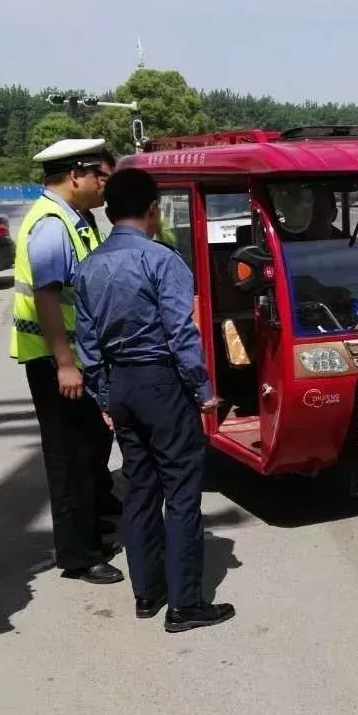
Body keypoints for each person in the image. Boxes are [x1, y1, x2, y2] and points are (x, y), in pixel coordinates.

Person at [74, 168, 235, 633]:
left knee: (139, 489)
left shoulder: (89, 268)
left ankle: (148, 593)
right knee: (182, 492)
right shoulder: (162, 261)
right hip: (161, 382)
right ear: (152, 210)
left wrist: (103, 395)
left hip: (120, 385)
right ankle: (185, 603)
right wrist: (204, 390)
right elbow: (181, 334)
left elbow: (87, 344)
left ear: (108, 210)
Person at [10, 138, 123, 585]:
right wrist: (65, 364)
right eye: (101, 177)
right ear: (76, 174)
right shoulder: (53, 225)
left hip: (79, 359)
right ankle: (78, 556)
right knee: (70, 460)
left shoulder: (75, 219)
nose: (104, 187)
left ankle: (91, 529)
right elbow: (47, 298)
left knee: (90, 449)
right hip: (59, 363)